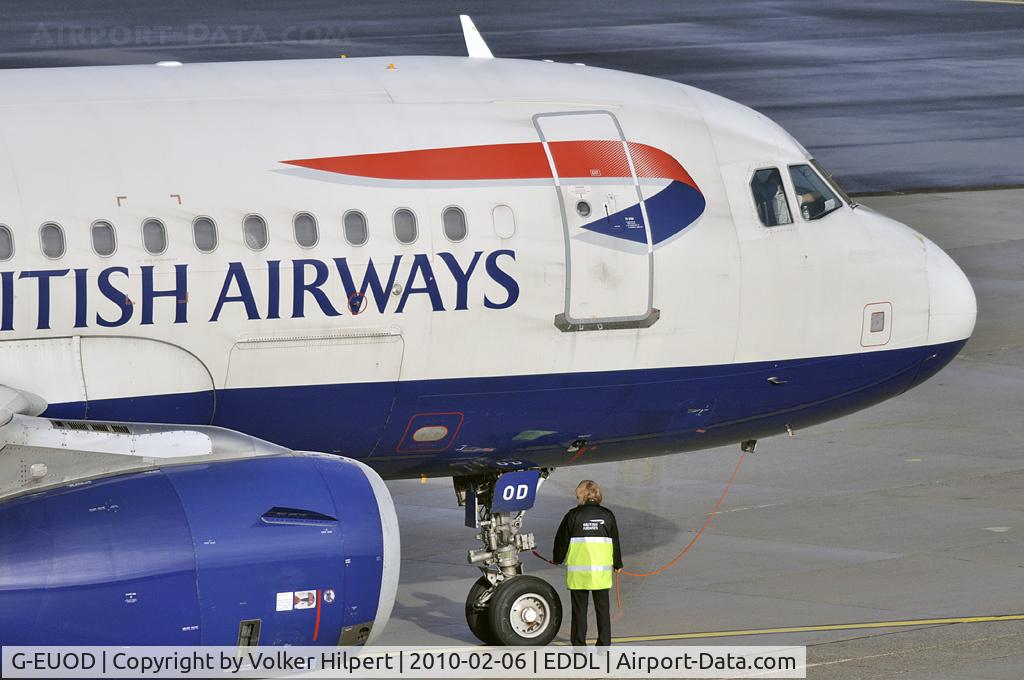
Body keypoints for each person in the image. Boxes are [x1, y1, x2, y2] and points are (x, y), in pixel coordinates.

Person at [552, 480, 623, 647]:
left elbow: (561, 541)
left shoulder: (573, 515)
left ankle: (579, 647)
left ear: (582, 496)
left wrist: (557, 559)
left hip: (579, 574)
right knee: (603, 611)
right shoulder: (608, 515)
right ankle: (604, 644)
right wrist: (617, 564)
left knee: (579, 612)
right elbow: (615, 543)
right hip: (601, 574)